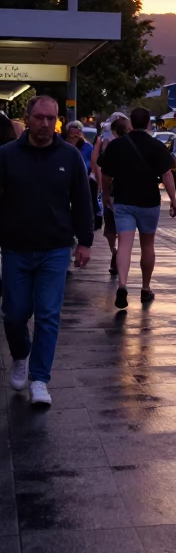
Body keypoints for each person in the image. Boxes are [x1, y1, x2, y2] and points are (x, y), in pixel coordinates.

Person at [0, 94, 93, 406]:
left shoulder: (69, 157)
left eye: (50, 118)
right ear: (28, 119)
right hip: (15, 248)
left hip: (55, 248)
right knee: (13, 315)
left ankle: (40, 379)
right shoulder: (7, 155)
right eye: (39, 117)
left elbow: (82, 200)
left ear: (57, 121)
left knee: (48, 315)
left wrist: (86, 242)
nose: (44, 124)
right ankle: (20, 355)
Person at [98, 106, 176, 309]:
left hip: (124, 200)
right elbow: (167, 174)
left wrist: (106, 195)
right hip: (149, 200)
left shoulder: (117, 146)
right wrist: (173, 200)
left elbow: (106, 174)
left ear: (131, 123)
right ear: (149, 124)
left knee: (124, 244)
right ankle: (145, 288)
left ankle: (123, 285)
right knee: (147, 245)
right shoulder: (156, 146)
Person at [91, 114, 130, 276]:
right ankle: (119, 252)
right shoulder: (128, 142)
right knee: (123, 227)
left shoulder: (103, 140)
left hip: (109, 187)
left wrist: (101, 184)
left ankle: (114, 251)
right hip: (123, 190)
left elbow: (95, 161)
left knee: (109, 227)